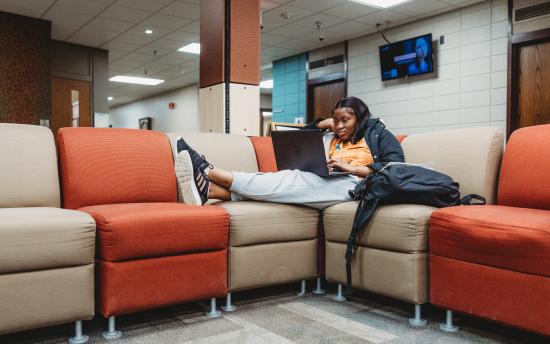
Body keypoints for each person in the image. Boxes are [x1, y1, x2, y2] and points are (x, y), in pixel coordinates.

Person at [175, 96, 404, 209]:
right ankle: (211, 191)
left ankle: (210, 172)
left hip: (355, 184)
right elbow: (299, 139)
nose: (340, 126)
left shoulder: (377, 133)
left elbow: (396, 166)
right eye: (336, 120)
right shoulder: (331, 135)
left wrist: (352, 168)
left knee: (291, 179)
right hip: (325, 179)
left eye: (346, 120)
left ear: (360, 118)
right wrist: (324, 124)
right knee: (285, 180)